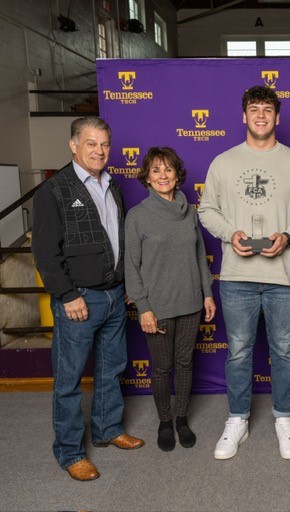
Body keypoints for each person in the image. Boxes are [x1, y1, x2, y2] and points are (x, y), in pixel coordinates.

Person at [198, 85, 290, 460]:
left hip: (284, 277)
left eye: (268, 109)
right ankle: (238, 418)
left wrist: (287, 235)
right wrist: (229, 232)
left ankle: (283, 416)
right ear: (244, 116)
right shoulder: (223, 161)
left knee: (284, 350)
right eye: (254, 109)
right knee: (238, 352)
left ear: (277, 117)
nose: (261, 115)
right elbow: (206, 210)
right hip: (237, 277)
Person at [32, 116, 144, 482]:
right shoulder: (54, 190)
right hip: (78, 300)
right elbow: (46, 252)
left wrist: (125, 281)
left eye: (104, 144)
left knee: (112, 370)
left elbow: (120, 238)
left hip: (114, 295)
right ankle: (69, 452)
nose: (99, 151)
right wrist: (66, 295)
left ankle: (108, 429)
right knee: (69, 380)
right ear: (73, 145)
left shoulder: (114, 186)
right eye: (91, 143)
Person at [124, 147, 216, 452]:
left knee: (185, 363)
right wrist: (144, 308)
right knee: (163, 367)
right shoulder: (137, 216)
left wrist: (207, 294)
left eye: (168, 170)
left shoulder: (190, 211)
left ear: (177, 175)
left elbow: (200, 257)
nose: (163, 176)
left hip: (190, 302)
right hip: (158, 307)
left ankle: (181, 418)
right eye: (156, 171)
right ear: (147, 178)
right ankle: (164, 421)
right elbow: (131, 267)